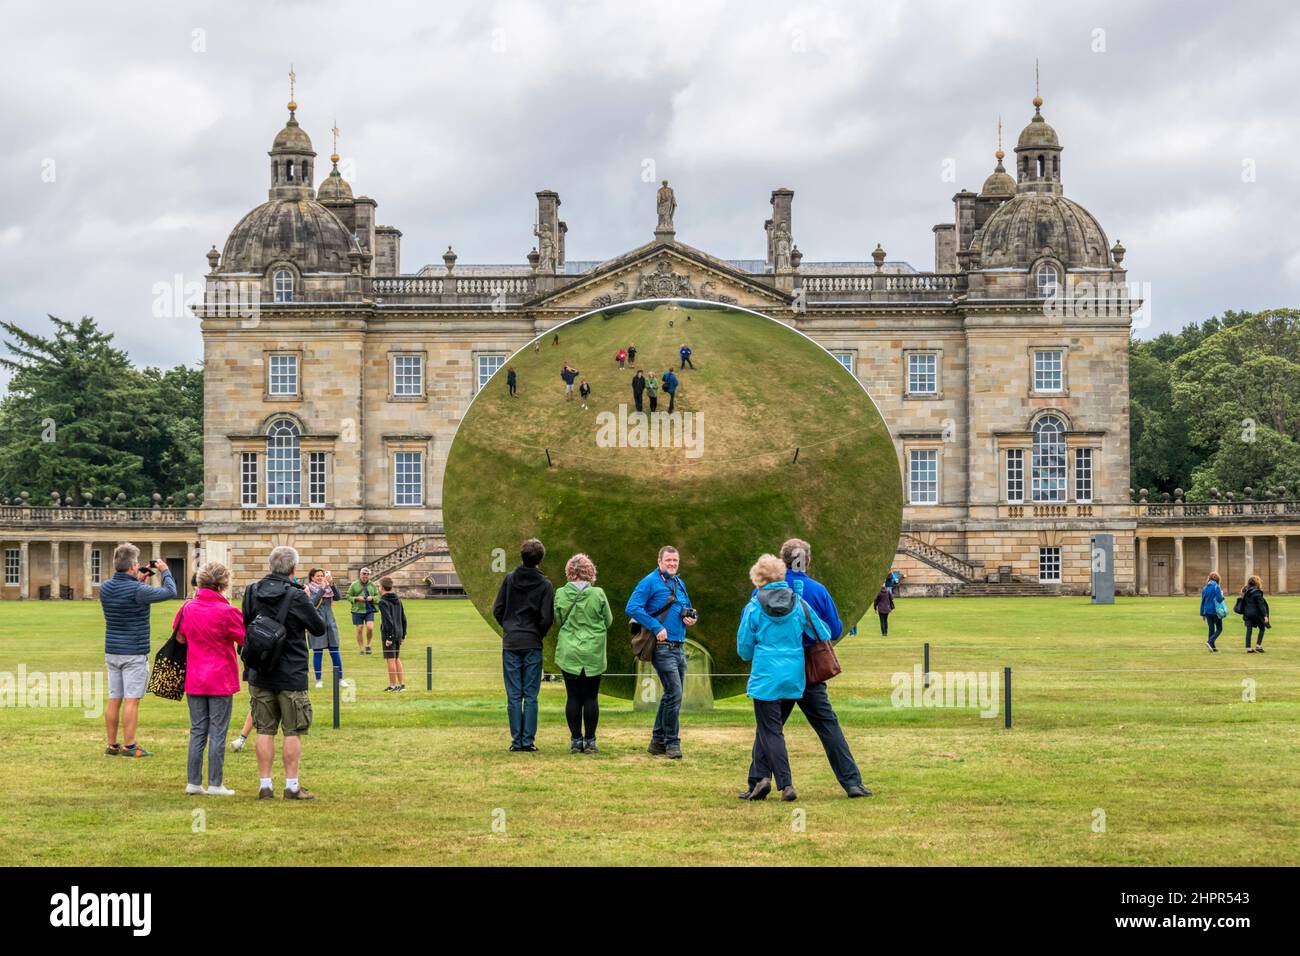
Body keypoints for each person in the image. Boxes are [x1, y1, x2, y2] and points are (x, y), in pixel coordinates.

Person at [742, 539, 872, 799]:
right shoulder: (817, 590)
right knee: (827, 726)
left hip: (775, 670)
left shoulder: (762, 594)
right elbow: (833, 631)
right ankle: (851, 782)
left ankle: (759, 780)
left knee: (769, 728)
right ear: (807, 560)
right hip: (809, 670)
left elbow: (748, 637)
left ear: (783, 560)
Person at [736, 554, 831, 802]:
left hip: (766, 675)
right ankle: (759, 780)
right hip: (793, 675)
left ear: (758, 578)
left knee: (770, 731)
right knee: (771, 730)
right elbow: (823, 632)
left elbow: (744, 649)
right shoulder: (798, 603)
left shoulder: (754, 606)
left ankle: (785, 784)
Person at [242, 546, 326, 800]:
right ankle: (291, 786)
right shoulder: (297, 595)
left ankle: (265, 785)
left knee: (264, 729)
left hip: (260, 668)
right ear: (293, 569)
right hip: (291, 670)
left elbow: (246, 624)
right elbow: (318, 629)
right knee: (292, 730)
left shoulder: (252, 591)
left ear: (270, 566)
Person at [100, 543, 177, 758]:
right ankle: (131, 746)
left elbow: (126, 595)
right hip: (133, 651)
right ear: (134, 565)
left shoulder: (105, 587)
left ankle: (112, 744)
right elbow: (170, 592)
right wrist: (164, 571)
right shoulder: (138, 590)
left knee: (115, 698)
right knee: (132, 699)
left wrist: (138, 579)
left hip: (112, 650)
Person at [174, 561, 244, 796]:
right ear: (223, 585)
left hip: (195, 676)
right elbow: (244, 639)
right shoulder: (228, 611)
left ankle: (193, 782)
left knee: (197, 730)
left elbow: (180, 637)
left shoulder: (187, 608)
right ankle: (215, 783)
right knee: (218, 731)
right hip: (220, 677)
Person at [626, 545, 697, 759]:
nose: (672, 564)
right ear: (660, 562)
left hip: (679, 645)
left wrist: (692, 618)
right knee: (674, 693)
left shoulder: (679, 583)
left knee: (671, 694)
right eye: (668, 561)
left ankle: (657, 741)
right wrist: (656, 627)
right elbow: (632, 607)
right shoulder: (649, 582)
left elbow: (688, 607)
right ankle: (672, 742)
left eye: (675, 561)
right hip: (661, 647)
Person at [492, 538, 555, 752]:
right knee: (530, 695)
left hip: (511, 641)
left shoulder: (510, 579)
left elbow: (497, 609)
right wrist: (538, 633)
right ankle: (528, 741)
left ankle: (516, 741)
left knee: (513, 694)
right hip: (532, 640)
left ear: (521, 556)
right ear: (540, 559)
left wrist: (509, 627)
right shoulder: (545, 584)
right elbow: (547, 618)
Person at [553, 553, 612, 754]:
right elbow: (608, 620)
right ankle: (591, 741)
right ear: (590, 571)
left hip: (570, 650)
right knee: (591, 697)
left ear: (569, 571)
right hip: (593, 651)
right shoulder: (598, 594)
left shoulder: (561, 593)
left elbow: (559, 619)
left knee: (573, 697)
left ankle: (576, 741)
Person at [306, 568, 348, 687]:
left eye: (322, 575)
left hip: (330, 624)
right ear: (312, 578)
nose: (320, 577)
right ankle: (319, 680)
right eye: (318, 576)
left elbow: (339, 597)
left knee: (335, 651)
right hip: (316, 624)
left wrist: (332, 584)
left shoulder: (328, 587)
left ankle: (340, 678)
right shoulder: (308, 589)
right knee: (317, 652)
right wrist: (322, 589)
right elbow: (312, 603)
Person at [378, 576, 408, 691]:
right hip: (399, 632)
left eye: (379, 586)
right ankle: (401, 684)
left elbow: (388, 620)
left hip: (389, 634)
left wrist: (389, 637)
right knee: (396, 658)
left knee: (390, 659)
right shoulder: (398, 599)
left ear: (382, 587)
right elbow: (403, 618)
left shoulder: (383, 601)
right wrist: (403, 634)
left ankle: (392, 685)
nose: (379, 589)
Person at [347, 568, 379, 654]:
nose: (365, 576)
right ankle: (361, 648)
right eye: (363, 574)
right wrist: (356, 598)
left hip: (369, 610)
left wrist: (372, 598)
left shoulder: (372, 585)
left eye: (367, 574)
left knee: (370, 627)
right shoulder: (354, 585)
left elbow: (378, 597)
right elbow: (348, 596)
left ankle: (368, 645)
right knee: (359, 629)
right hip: (357, 610)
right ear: (360, 574)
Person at [1239, 576, 1270, 653]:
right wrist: (1265, 616)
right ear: (1257, 583)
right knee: (1262, 628)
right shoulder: (1257, 593)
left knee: (1249, 630)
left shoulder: (1245, 591)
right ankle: (1258, 646)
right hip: (1256, 614)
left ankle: (1248, 648)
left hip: (1247, 614)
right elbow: (1261, 605)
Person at [1199, 571, 1225, 653]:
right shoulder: (1216, 587)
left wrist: (1202, 613)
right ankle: (1210, 642)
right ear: (1218, 579)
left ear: (1209, 578)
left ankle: (1212, 648)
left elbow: (1202, 601)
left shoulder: (1205, 588)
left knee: (1211, 629)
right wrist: (1222, 597)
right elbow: (1219, 599)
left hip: (1207, 611)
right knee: (1219, 628)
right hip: (1215, 611)